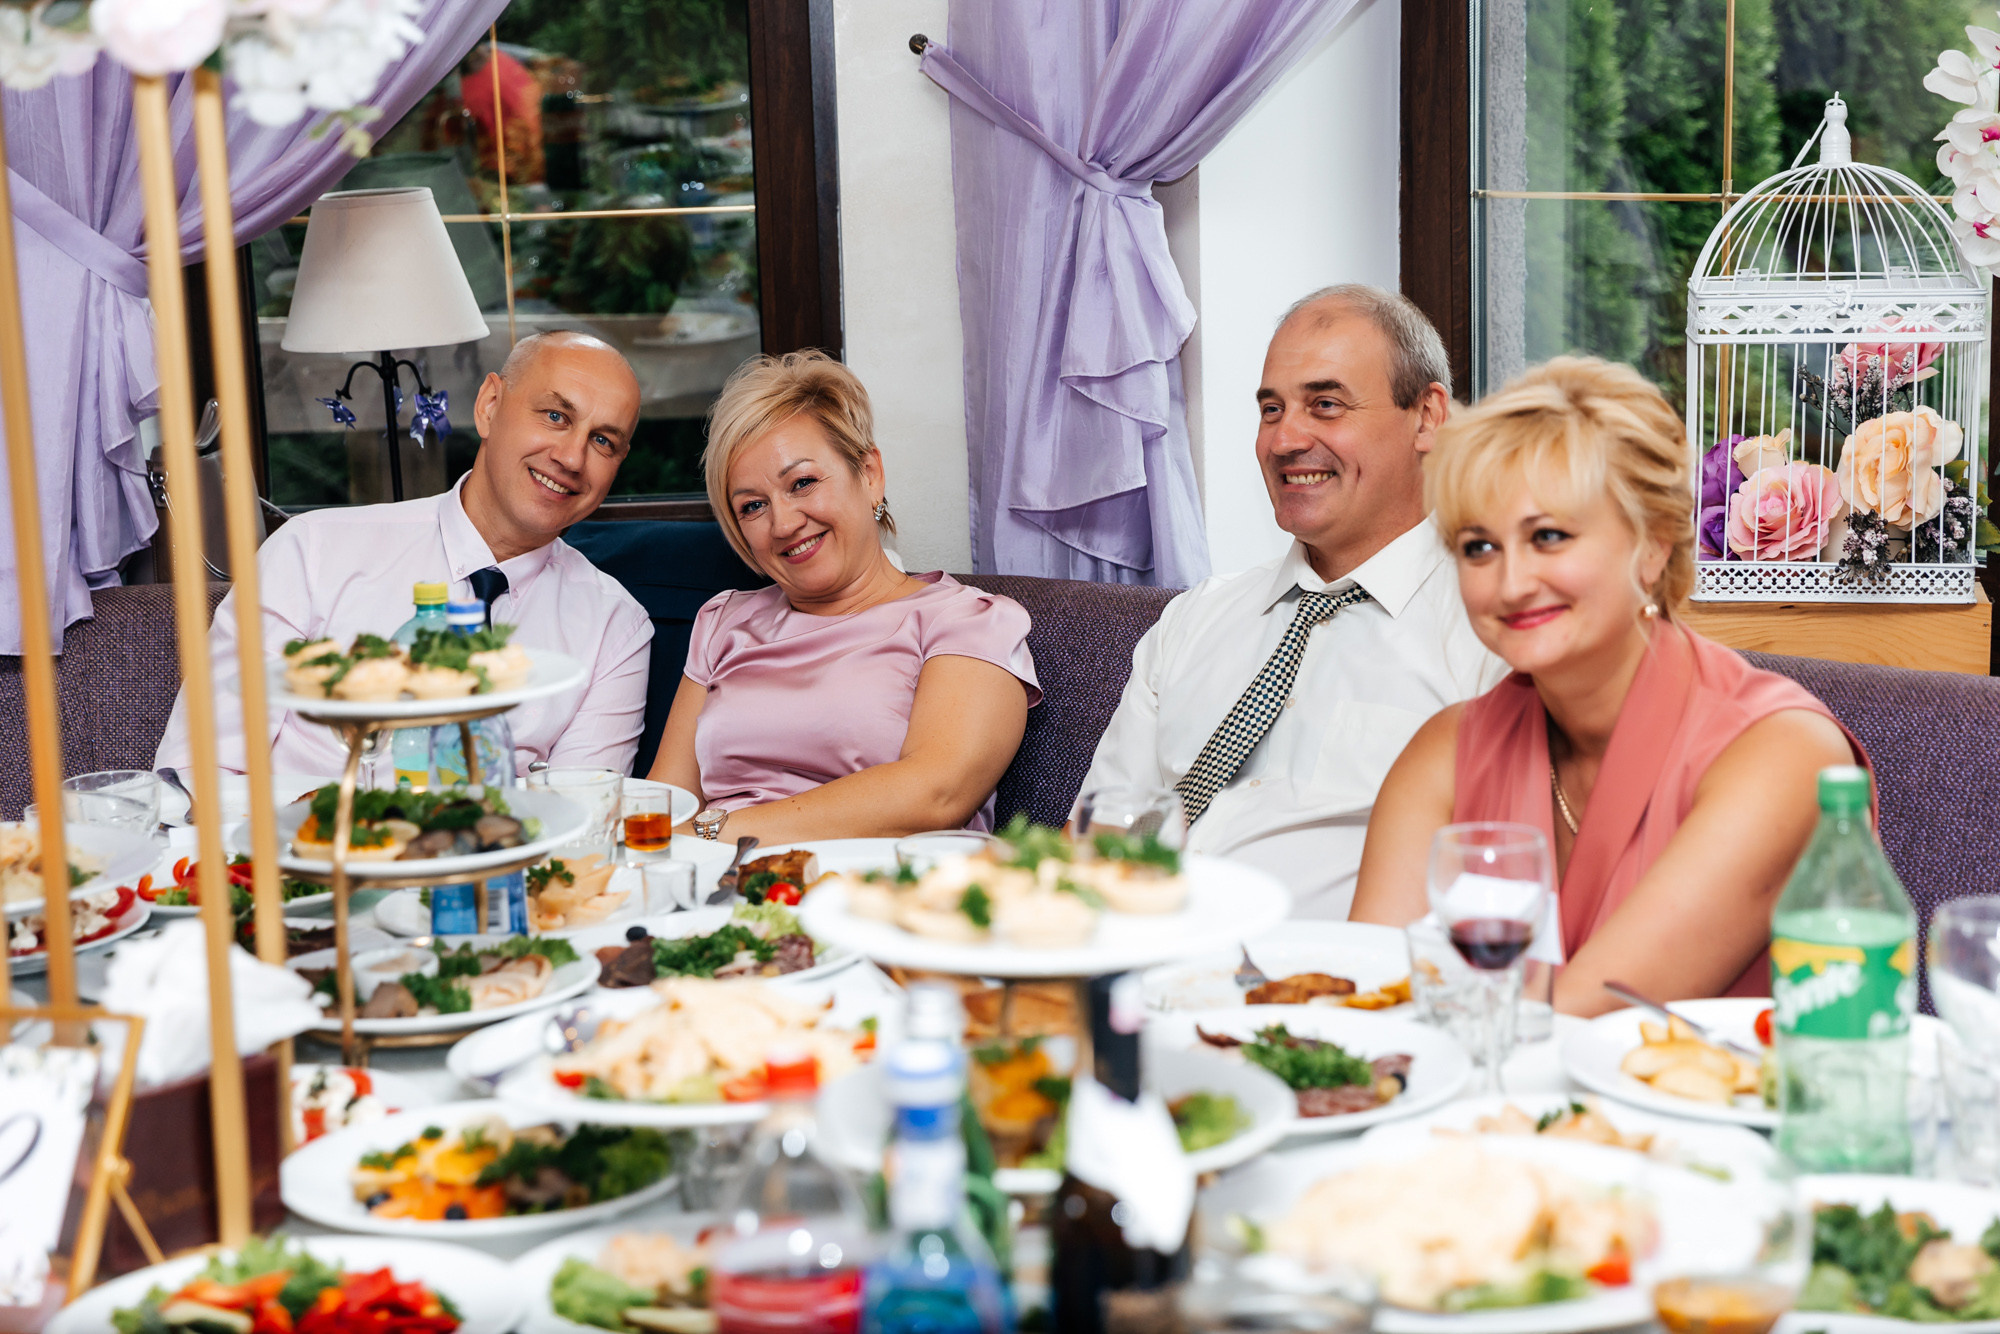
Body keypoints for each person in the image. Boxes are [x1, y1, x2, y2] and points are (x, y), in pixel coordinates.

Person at [1349, 357, 1865, 1012]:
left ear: (1651, 548)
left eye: (1549, 536)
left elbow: (1580, 1024)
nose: (1509, 585)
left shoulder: (1784, 756)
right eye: (1480, 547)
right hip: (1484, 1109)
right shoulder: (1446, 752)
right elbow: (1366, 1003)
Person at [1074, 286, 1507, 918]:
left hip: (1326, 989)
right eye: (1271, 410)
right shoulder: (1197, 618)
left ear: (1427, 417)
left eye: (1325, 405)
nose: (1284, 441)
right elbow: (1099, 832)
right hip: (1135, 959)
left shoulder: (1489, 628)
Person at [158, 330, 654, 777]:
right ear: (489, 405)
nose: (571, 458)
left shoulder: (616, 628)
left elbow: (581, 825)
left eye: (603, 441)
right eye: (554, 416)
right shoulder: (311, 552)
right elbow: (201, 773)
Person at [647, 351, 1039, 842]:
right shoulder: (724, 623)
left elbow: (937, 794)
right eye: (753, 506)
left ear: (870, 474)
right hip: (720, 891)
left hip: (881, 893)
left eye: (803, 483)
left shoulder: (966, 621)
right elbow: (662, 805)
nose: (784, 523)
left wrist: (715, 834)